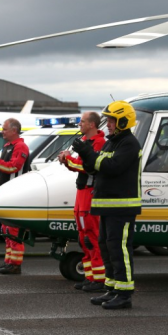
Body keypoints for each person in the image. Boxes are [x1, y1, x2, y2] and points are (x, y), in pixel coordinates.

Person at [71, 101, 142, 310]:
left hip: (122, 207)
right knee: (107, 246)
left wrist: (88, 154)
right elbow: (95, 168)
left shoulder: (129, 143)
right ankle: (112, 289)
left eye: (111, 120)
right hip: (107, 206)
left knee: (120, 249)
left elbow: (111, 167)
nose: (108, 124)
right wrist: (85, 154)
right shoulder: (112, 142)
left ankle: (124, 293)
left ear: (122, 121)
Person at [58, 112, 106, 292]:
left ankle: (99, 280)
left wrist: (68, 159)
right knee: (83, 237)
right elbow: (78, 164)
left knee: (91, 237)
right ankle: (90, 276)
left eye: (83, 121)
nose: (80, 124)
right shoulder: (86, 142)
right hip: (81, 194)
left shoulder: (99, 143)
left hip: (89, 194)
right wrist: (67, 160)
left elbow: (88, 167)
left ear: (92, 124)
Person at [0, 118, 30, 275]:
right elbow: (0, 169)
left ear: (14, 131)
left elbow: (13, 167)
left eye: (5, 129)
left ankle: (15, 264)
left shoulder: (21, 146)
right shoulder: (8, 146)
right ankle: (9, 261)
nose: (2, 132)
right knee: (6, 229)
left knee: (13, 230)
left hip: (15, 193)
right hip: (6, 192)